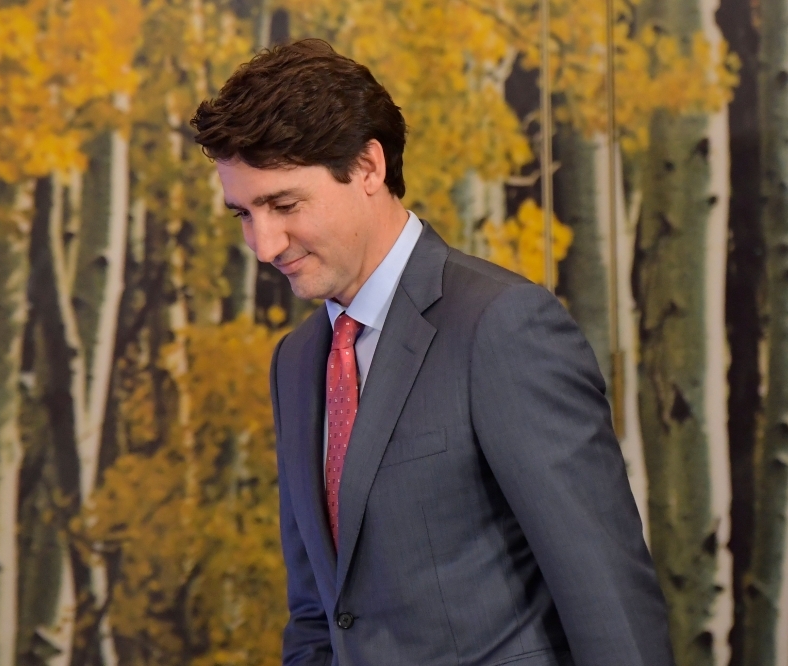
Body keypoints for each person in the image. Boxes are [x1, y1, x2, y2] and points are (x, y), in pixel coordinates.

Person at [191, 38, 674, 666]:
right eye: (243, 215)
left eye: (283, 205)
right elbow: (317, 610)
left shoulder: (503, 325)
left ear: (368, 167)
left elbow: (606, 599)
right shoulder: (298, 360)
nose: (264, 244)